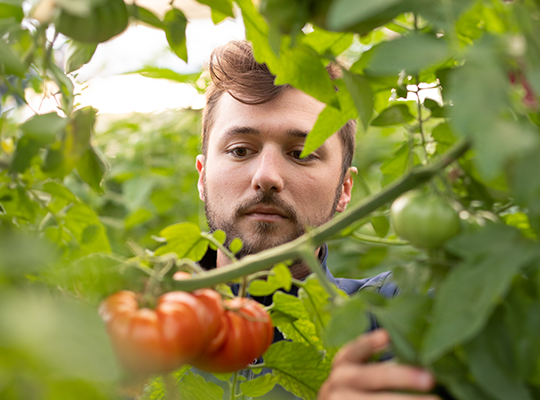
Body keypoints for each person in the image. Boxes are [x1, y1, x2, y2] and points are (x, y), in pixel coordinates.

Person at [195, 40, 438, 400]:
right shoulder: (127, 334)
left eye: (302, 153)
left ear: (345, 188)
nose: (267, 176)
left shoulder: (391, 314)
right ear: (202, 177)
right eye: (240, 150)